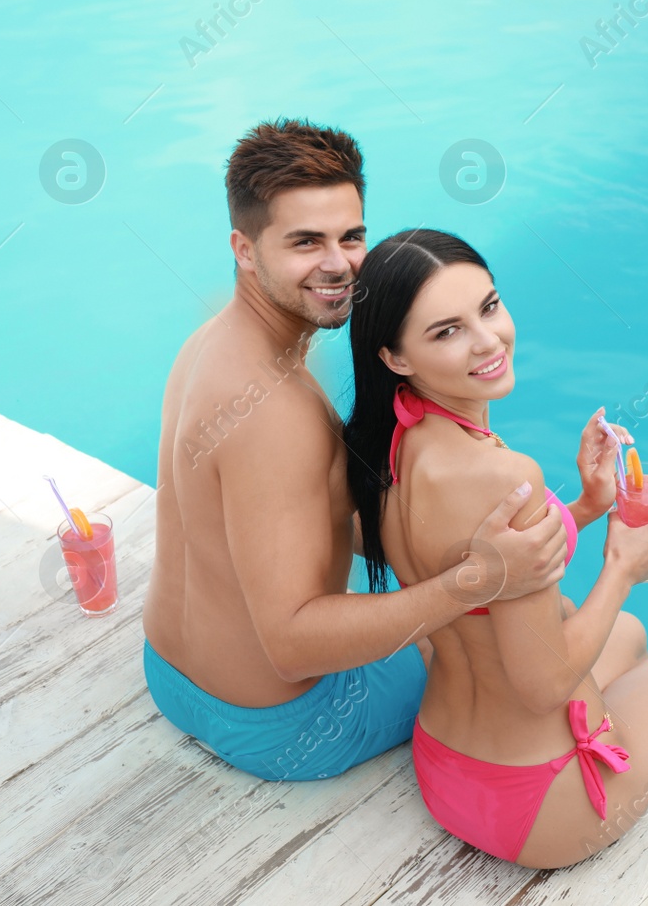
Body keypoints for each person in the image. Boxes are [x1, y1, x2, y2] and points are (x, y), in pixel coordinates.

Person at [142, 119, 571, 782]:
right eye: (305, 241)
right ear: (244, 247)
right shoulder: (276, 416)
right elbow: (291, 643)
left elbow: (279, 524)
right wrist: (477, 579)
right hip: (289, 725)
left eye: (351, 235)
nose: (339, 263)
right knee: (514, 658)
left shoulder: (210, 345)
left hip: (170, 673)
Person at [343, 227, 648, 869]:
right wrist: (623, 565)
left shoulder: (393, 445)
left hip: (446, 764)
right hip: (538, 804)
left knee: (632, 636)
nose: (488, 341)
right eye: (446, 331)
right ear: (395, 356)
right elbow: (542, 685)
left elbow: (481, 572)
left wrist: (586, 507)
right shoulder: (506, 476)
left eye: (488, 306)